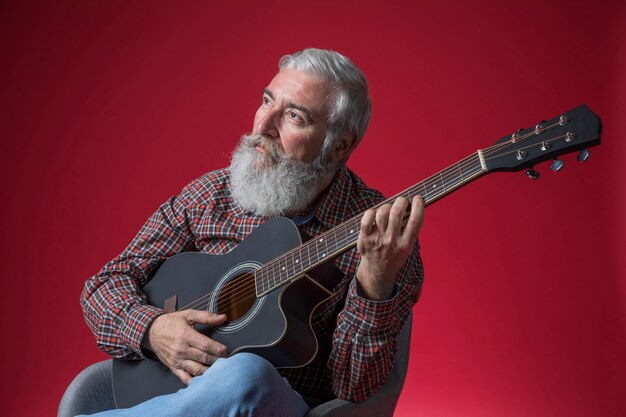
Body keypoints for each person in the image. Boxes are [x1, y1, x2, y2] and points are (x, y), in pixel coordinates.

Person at [80, 48, 425, 417]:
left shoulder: (379, 237)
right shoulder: (210, 195)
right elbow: (105, 284)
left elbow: (358, 390)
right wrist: (153, 329)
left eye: (293, 116)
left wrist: (374, 283)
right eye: (266, 101)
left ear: (340, 144)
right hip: (176, 393)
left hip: (283, 405)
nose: (262, 126)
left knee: (247, 375)